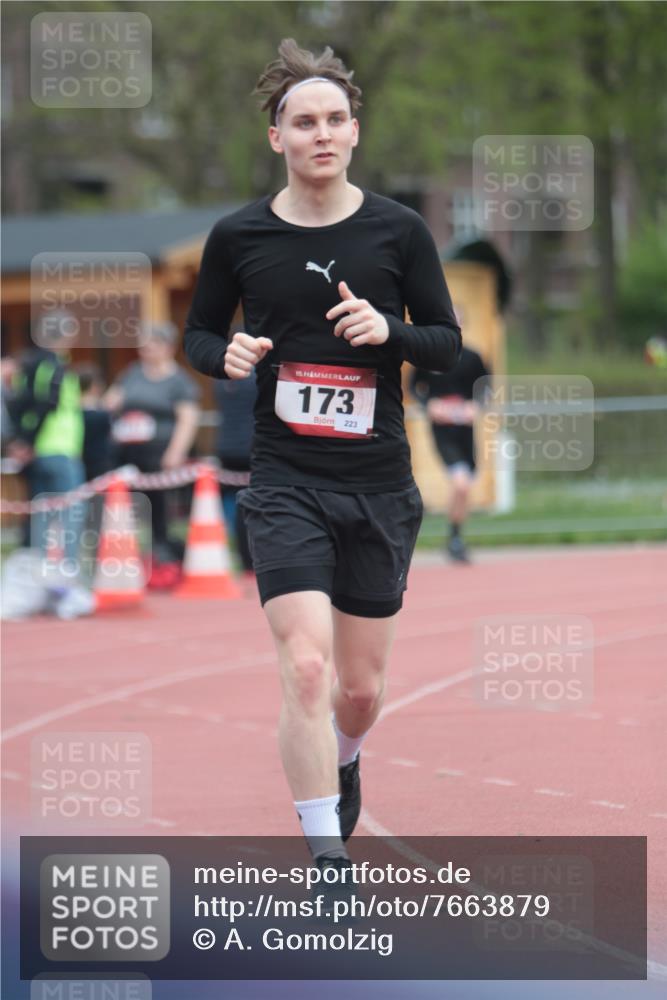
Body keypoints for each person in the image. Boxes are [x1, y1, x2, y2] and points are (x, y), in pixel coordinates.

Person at [184, 39, 461, 883]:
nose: (321, 134)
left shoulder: (398, 230)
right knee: (304, 664)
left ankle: (344, 757)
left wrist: (391, 333)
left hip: (377, 484)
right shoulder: (239, 235)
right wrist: (221, 355)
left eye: (335, 119)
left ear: (353, 131)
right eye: (303, 122)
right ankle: (327, 855)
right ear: (277, 137)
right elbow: (198, 333)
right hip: (286, 481)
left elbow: (446, 345)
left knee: (358, 691)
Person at [105, 322, 201, 585]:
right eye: (143, 345)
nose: (145, 350)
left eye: (151, 344)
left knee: (159, 511)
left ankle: (165, 558)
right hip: (128, 452)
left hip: (160, 454)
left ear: (167, 347)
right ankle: (130, 558)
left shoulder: (179, 381)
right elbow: (111, 402)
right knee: (128, 508)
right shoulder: (132, 373)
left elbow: (188, 418)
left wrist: (175, 452)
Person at [7, 311, 85, 568]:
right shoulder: (51, 364)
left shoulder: (26, 365)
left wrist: (21, 442)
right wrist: (27, 442)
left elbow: (17, 405)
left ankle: (39, 573)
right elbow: (45, 405)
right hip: (57, 448)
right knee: (70, 513)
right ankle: (67, 571)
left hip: (38, 451)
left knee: (41, 514)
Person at [410, 342, 491, 563]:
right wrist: (430, 405)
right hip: (442, 433)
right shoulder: (429, 357)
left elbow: (487, 387)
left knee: (464, 488)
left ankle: (455, 538)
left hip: (465, 432)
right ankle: (455, 539)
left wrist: (476, 406)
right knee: (461, 483)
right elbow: (413, 387)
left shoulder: (473, 357)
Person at [214, 370, 257, 579]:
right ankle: (249, 560)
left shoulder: (222, 377)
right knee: (248, 508)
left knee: (234, 505)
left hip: (226, 446)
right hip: (251, 448)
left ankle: (241, 557)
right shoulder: (258, 376)